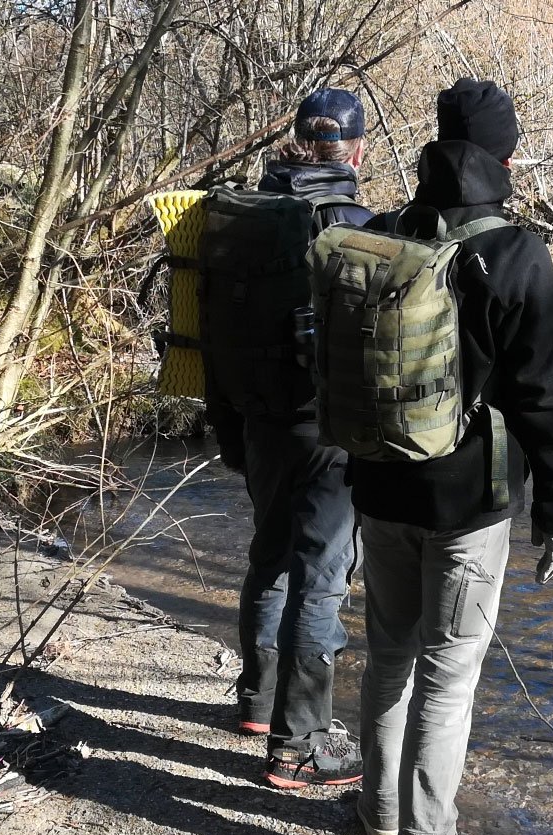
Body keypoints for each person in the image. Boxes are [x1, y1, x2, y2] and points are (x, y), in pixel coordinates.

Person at [348, 78, 553, 835]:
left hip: (378, 486)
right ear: (505, 156)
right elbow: (545, 400)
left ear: (440, 146)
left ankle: (377, 810)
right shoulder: (517, 254)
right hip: (467, 503)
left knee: (389, 657)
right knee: (448, 677)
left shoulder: (386, 231)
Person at [201, 88, 374, 789]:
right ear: (357, 152)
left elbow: (209, 329)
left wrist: (229, 426)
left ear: (297, 140)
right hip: (329, 433)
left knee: (269, 556)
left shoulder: (241, 216)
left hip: (256, 417)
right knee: (322, 582)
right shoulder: (358, 225)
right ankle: (298, 747)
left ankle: (256, 702)